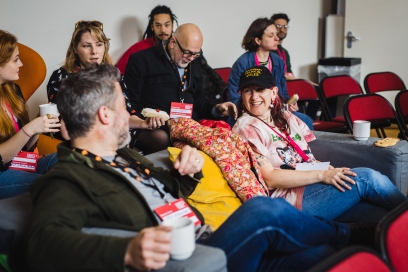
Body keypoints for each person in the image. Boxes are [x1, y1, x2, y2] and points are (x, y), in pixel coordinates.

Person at [25, 63, 352, 272]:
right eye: (125, 107)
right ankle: (350, 234)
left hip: (208, 238)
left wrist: (186, 172)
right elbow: (39, 243)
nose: (131, 115)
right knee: (264, 210)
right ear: (105, 116)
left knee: (319, 258)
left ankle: (346, 244)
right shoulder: (67, 178)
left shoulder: (125, 157)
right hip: (195, 255)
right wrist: (125, 250)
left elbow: (163, 196)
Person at [232, 66, 407, 223]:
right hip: (288, 201)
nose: (254, 97)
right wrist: (322, 175)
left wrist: (330, 170)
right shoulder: (246, 127)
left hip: (315, 189)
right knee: (366, 178)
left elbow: (307, 156)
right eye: (248, 91)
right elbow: (269, 178)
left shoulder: (285, 117)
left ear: (273, 92)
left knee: (380, 216)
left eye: (260, 89)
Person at [124, 23, 237, 155]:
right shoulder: (141, 60)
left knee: (225, 136)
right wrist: (144, 122)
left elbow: (199, 102)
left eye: (196, 54)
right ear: (173, 42)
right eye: (187, 52)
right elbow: (130, 103)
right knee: (161, 139)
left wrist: (217, 109)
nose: (191, 58)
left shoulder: (194, 63)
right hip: (154, 126)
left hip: (187, 126)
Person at [0, 30, 60, 199]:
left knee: (70, 157)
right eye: (16, 60)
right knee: (50, 183)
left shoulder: (12, 91)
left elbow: (25, 147)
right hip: (2, 172)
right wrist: (29, 128)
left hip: (20, 163)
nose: (21, 65)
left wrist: (39, 124)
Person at [227, 17, 313, 129]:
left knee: (306, 120)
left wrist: (289, 103)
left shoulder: (278, 61)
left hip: (274, 111)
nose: (277, 38)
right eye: (271, 36)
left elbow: (282, 93)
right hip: (251, 111)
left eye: (276, 35)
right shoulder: (242, 63)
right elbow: (234, 98)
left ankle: (299, 147)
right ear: (257, 40)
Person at [270, 13, 321, 119]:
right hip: (282, 87)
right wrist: (303, 80)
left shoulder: (285, 52)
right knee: (315, 89)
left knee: (321, 89)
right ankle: (306, 120)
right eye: (279, 26)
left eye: (285, 26)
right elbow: (282, 75)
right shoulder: (270, 52)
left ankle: (309, 119)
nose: (282, 29)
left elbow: (289, 73)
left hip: (289, 83)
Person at [116, 5, 178, 75]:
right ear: (152, 27)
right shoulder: (138, 49)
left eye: (167, 25)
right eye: (158, 25)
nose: (163, 30)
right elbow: (116, 73)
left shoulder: (180, 48)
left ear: (172, 25)